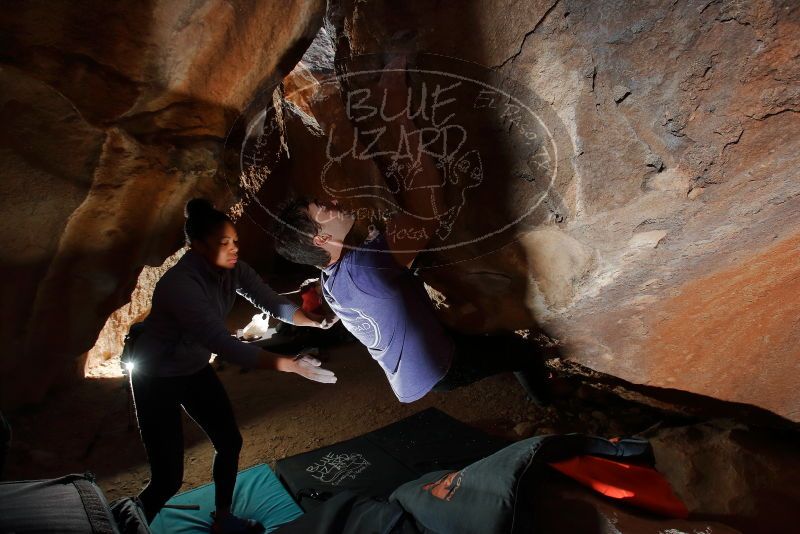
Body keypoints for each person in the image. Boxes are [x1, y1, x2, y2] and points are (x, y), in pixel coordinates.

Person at [130, 198, 336, 533]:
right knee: (167, 478)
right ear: (196, 247)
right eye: (223, 243)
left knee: (229, 442)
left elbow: (269, 300)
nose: (233, 248)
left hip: (193, 369)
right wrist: (290, 365)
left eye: (235, 241)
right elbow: (222, 344)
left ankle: (223, 518)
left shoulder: (233, 270)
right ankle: (121, 526)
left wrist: (312, 322)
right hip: (156, 378)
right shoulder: (180, 285)